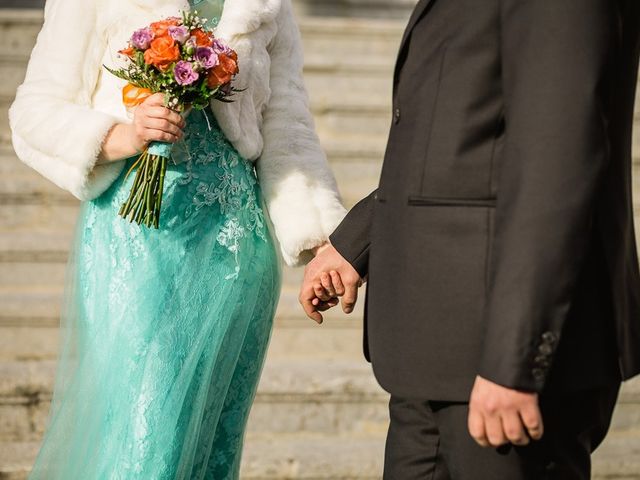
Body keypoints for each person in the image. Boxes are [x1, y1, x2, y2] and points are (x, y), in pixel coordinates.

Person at [300, 0, 640, 478]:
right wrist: (358, 240)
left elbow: (556, 167)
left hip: (499, 367)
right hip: (433, 357)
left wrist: (513, 363)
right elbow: (460, 145)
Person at [9, 0, 346, 477]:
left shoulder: (268, 6)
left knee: (213, 442)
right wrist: (122, 136)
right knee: (146, 438)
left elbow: (287, 124)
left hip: (236, 246)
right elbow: (33, 112)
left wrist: (321, 240)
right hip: (139, 239)